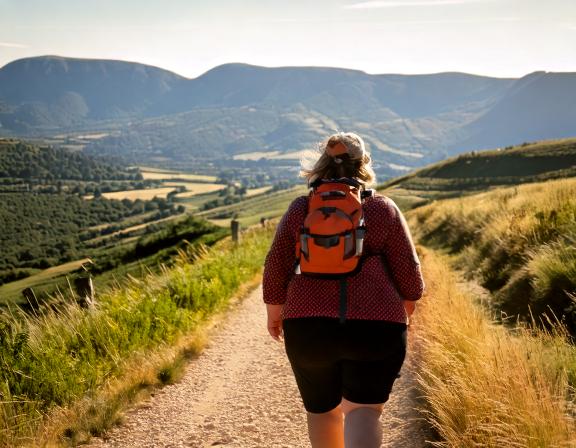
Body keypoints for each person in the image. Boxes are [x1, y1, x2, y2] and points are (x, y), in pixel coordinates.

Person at [262, 132, 424, 448]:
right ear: (363, 165)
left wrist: (274, 311)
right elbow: (411, 278)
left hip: (307, 328)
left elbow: (276, 263)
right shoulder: (383, 208)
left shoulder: (301, 208)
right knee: (363, 410)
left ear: (320, 165)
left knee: (322, 411)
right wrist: (403, 309)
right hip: (377, 328)